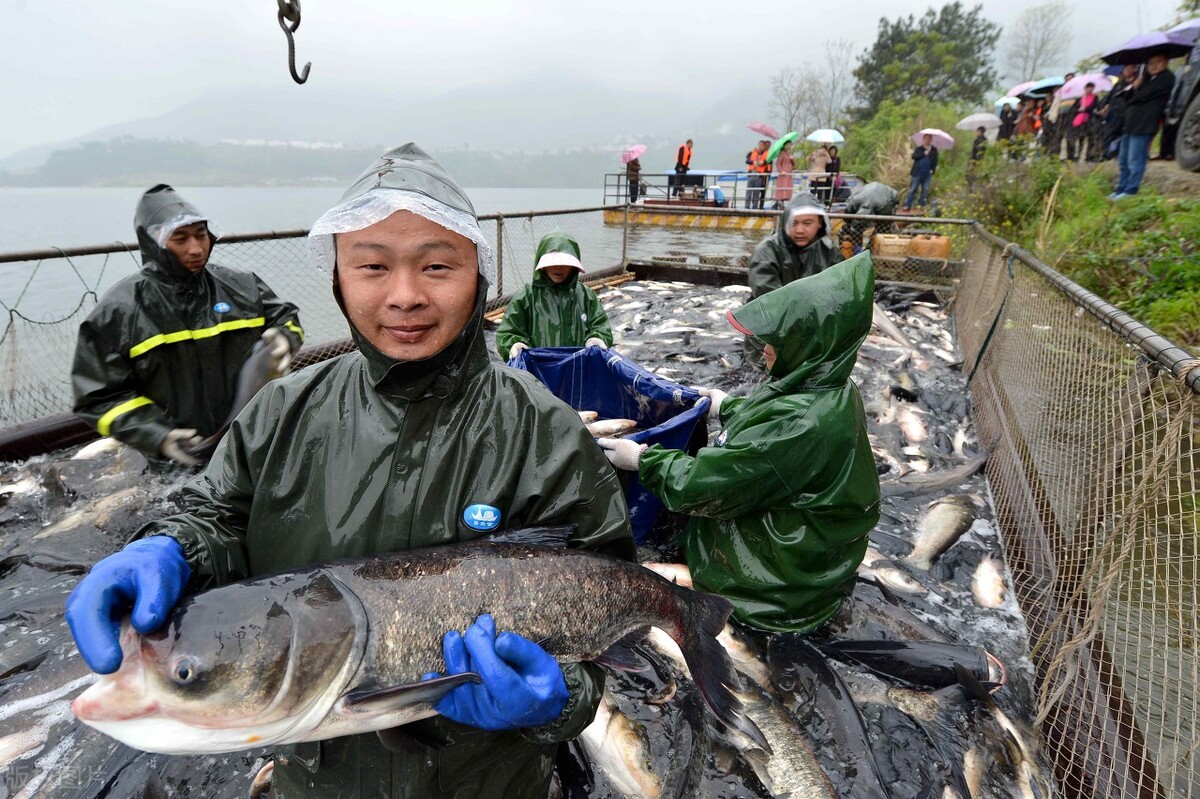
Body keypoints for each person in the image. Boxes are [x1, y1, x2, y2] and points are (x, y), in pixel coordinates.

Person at [63, 144, 636, 799]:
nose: (405, 295)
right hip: (315, 779)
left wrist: (555, 702)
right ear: (337, 275)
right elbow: (214, 513)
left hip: (490, 780)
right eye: (372, 265)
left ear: (478, 275)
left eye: (438, 265)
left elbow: (607, 597)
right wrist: (170, 546)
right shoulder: (282, 410)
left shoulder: (544, 429)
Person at [596, 254, 881, 633]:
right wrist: (726, 406)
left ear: (810, 345)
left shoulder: (801, 422)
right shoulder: (830, 384)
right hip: (815, 556)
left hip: (779, 588)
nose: (763, 350)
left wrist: (645, 460)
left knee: (639, 577)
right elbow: (776, 422)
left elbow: (705, 486)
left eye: (777, 342)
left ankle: (729, 589)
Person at [71, 185, 303, 466]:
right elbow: (97, 398)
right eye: (180, 239)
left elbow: (285, 315)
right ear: (153, 243)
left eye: (201, 236)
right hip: (179, 458)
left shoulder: (243, 285)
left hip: (255, 441)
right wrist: (158, 436)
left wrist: (285, 335)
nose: (195, 249)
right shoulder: (117, 311)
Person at [741, 191, 843, 366]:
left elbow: (841, 291)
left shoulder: (830, 252)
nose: (800, 230)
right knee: (762, 376)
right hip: (768, 332)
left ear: (820, 223)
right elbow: (770, 298)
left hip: (811, 332)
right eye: (794, 223)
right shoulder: (767, 250)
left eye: (807, 223)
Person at [495, 231, 615, 360]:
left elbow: (601, 326)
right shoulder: (526, 296)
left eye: (565, 262)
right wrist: (514, 344)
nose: (558, 267)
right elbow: (508, 331)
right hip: (538, 370)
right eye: (552, 262)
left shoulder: (586, 295)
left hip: (578, 367)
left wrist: (596, 338)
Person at [1112, 54, 1176, 199]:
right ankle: (1121, 188)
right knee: (1123, 160)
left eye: (1158, 62)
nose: (1153, 66)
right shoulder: (1145, 79)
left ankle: (1131, 190)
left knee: (1135, 159)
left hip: (1145, 123)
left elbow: (1141, 97)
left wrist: (1138, 86)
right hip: (1130, 124)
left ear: (1166, 62)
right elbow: (1127, 99)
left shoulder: (1166, 78)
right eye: (1150, 63)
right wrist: (1135, 86)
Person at [1100, 65, 1138, 160]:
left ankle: (1118, 153)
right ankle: (1106, 153)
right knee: (1109, 133)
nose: (1128, 71)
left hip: (1126, 112)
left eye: (1131, 68)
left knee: (1122, 135)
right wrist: (1105, 106)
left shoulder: (1137, 81)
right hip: (1114, 111)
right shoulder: (1118, 83)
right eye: (1126, 69)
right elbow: (1111, 97)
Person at [903, 133, 938, 210]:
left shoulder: (934, 150)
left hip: (927, 174)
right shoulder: (919, 149)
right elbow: (914, 156)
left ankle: (921, 205)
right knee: (913, 189)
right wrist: (924, 153)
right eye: (926, 138)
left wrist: (933, 169)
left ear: (931, 140)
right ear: (923, 139)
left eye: (929, 138)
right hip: (917, 172)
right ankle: (907, 205)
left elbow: (935, 161)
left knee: (925, 190)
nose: (927, 140)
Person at [1066, 83, 1099, 162]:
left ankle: (1089, 156)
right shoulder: (1080, 98)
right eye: (1088, 88)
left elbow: (1095, 107)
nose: (1089, 90)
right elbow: (1073, 108)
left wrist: (1086, 108)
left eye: (1091, 88)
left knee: (1089, 138)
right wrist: (1079, 109)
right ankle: (1076, 155)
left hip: (1089, 119)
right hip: (1079, 120)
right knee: (1079, 138)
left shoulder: (1095, 97)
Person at [745, 140, 771, 209]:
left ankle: (755, 207)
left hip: (759, 175)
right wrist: (753, 162)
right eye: (760, 145)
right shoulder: (752, 152)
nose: (761, 147)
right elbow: (747, 161)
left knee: (757, 193)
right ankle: (747, 206)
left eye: (763, 146)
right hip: (751, 174)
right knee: (748, 192)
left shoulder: (766, 154)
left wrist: (762, 162)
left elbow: (769, 161)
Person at [771, 141, 795, 209]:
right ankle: (779, 202)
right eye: (788, 145)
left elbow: (793, 164)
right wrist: (781, 171)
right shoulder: (782, 153)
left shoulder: (789, 153)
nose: (789, 146)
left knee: (788, 188)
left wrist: (792, 159)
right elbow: (778, 163)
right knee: (783, 188)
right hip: (784, 173)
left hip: (789, 173)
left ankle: (784, 202)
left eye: (790, 145)